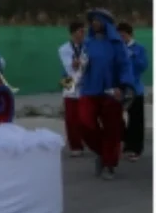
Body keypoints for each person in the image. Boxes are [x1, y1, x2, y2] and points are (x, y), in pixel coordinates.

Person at [79, 9, 136, 180]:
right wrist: (74, 75)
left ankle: (109, 164)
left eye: (97, 20)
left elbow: (125, 66)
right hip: (89, 89)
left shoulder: (116, 44)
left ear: (106, 23)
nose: (94, 23)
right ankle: (103, 153)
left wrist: (123, 86)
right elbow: (81, 67)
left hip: (112, 92)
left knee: (112, 129)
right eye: (92, 21)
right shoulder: (88, 43)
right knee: (84, 123)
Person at [117, 22, 148, 161]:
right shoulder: (117, 48)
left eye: (123, 34)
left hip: (135, 89)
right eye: (119, 35)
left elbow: (143, 66)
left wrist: (131, 57)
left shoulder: (139, 48)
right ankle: (125, 142)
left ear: (130, 34)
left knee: (136, 119)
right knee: (116, 118)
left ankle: (135, 149)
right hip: (119, 89)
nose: (121, 37)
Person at [58, 21, 87, 157]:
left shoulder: (87, 46)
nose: (83, 34)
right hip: (68, 81)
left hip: (84, 81)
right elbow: (69, 67)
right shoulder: (63, 48)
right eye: (81, 31)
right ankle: (75, 146)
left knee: (84, 115)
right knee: (70, 116)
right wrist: (75, 65)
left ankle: (85, 140)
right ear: (74, 33)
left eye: (84, 31)